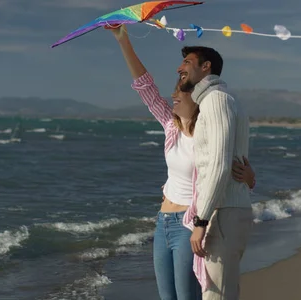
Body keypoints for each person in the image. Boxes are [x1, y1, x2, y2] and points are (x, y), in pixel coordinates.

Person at [107, 25, 256, 300]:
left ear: (194, 97)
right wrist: (122, 40)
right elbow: (145, 87)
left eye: (179, 94)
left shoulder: (208, 126)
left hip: (191, 221)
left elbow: (227, 163)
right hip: (163, 221)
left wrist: (249, 177)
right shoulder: (170, 126)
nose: (173, 96)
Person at [178, 45, 255, 300]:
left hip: (223, 212)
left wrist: (201, 221)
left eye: (187, 62)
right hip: (225, 211)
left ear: (206, 66)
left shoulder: (217, 100)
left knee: (217, 295)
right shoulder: (218, 100)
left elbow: (220, 166)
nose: (180, 68)